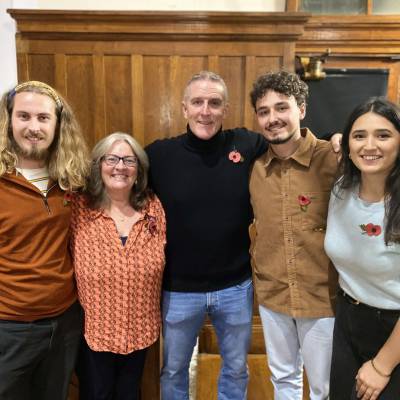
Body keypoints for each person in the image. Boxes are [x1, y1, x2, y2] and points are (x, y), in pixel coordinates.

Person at [146, 71, 267, 400]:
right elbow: (117, 173)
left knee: (237, 367)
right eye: (197, 102)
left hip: (235, 287)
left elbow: (290, 143)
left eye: (214, 103)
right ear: (184, 108)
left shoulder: (247, 144)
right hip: (178, 289)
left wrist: (334, 138)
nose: (206, 111)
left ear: (225, 110)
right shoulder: (159, 156)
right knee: (173, 370)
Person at [249, 71, 338, 399]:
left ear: (301, 108)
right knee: (283, 380)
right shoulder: (256, 169)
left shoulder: (335, 158)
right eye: (264, 111)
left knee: (323, 388)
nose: (273, 118)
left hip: (323, 297)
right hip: (274, 295)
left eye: (281, 107)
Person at [0, 80, 89, 400]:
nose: (33, 127)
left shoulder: (70, 178)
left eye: (43, 118)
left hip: (64, 323)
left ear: (57, 124)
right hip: (9, 328)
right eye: (24, 116)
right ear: (8, 120)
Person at [70, 132, 166, 400]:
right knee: (96, 394)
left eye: (129, 160)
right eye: (111, 159)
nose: (120, 167)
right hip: (93, 333)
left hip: (140, 330)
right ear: (98, 164)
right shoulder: (79, 208)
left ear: (139, 169)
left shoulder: (152, 207)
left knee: (129, 394)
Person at [324, 97, 400, 400]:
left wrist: (382, 366)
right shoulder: (341, 189)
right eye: (360, 136)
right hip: (349, 320)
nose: (370, 145)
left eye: (383, 135)